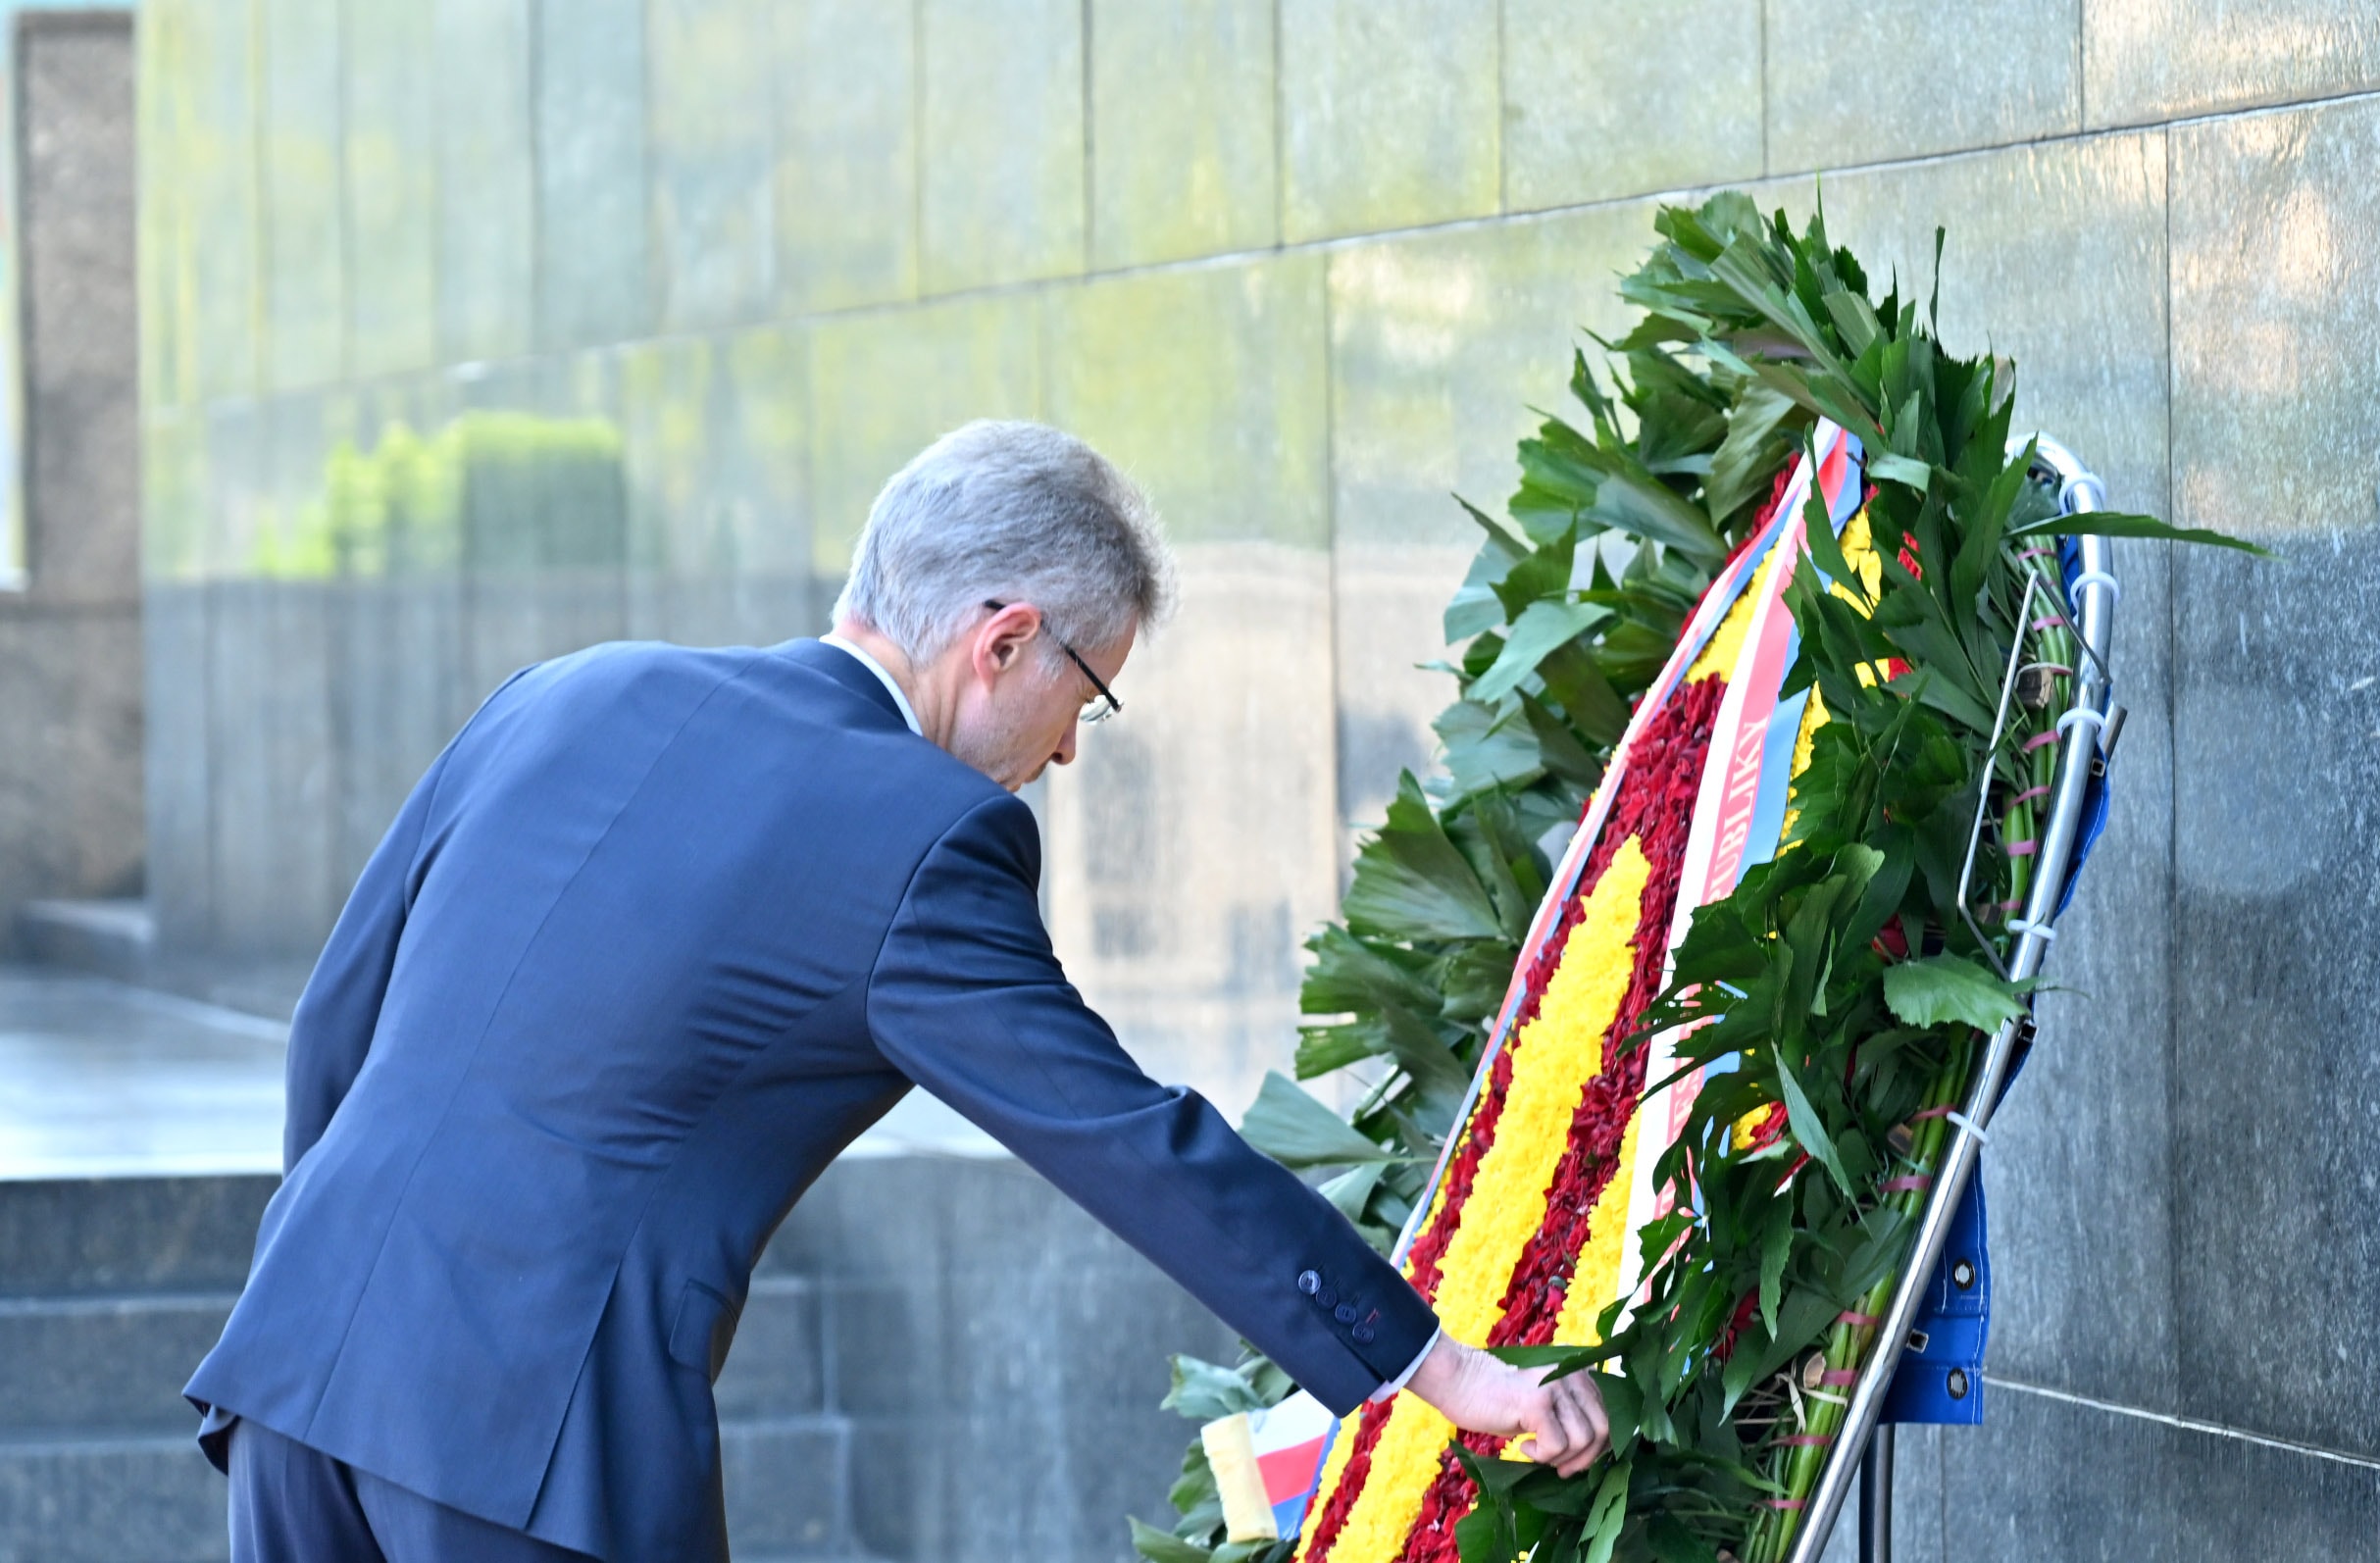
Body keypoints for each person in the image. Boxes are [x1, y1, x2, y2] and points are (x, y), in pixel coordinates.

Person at [185, 420, 1608, 1562]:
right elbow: (1129, 1138)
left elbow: (336, 1019)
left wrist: (353, 1303)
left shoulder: (563, 690)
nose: (1062, 756)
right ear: (1004, 641)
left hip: (295, 1372)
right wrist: (1436, 1366)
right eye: (1088, 697)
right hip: (531, 1437)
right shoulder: (918, 835)